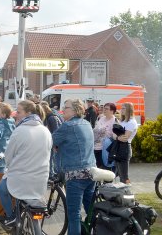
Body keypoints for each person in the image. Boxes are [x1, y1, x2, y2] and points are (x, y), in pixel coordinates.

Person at [0, 100, 51, 225]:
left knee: (1, 189)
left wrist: (9, 168)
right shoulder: (45, 131)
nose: (16, 114)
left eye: (19, 112)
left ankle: (11, 217)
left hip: (20, 177)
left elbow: (8, 157)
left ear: (28, 113)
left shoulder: (20, 130)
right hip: (40, 177)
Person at [52, 99, 96, 235]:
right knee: (90, 211)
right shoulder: (86, 123)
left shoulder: (68, 126)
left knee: (74, 214)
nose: (63, 110)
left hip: (75, 174)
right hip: (91, 172)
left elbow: (50, 141)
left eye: (66, 108)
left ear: (75, 110)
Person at [113, 102, 138, 184]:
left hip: (125, 148)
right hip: (119, 147)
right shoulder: (123, 121)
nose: (121, 110)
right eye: (121, 108)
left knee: (124, 176)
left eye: (123, 108)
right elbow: (114, 134)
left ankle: (127, 193)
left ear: (129, 110)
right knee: (119, 174)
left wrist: (116, 137)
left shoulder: (131, 122)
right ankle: (121, 193)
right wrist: (116, 136)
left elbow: (124, 138)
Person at [40, 101, 63, 177]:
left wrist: (54, 144)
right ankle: (52, 174)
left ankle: (52, 175)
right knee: (51, 158)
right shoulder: (51, 116)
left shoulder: (51, 118)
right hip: (52, 141)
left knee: (52, 158)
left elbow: (55, 131)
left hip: (53, 142)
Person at [93, 103, 118, 168]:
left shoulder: (115, 121)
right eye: (104, 108)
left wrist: (104, 131)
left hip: (105, 148)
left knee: (105, 168)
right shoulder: (101, 118)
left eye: (106, 109)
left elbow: (114, 136)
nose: (104, 110)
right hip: (96, 146)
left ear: (112, 111)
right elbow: (96, 129)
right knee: (97, 167)